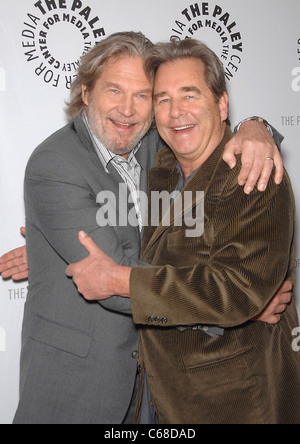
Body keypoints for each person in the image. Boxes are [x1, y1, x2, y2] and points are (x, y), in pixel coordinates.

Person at [0, 32, 291, 424]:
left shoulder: (158, 148)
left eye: (143, 96)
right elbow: (108, 276)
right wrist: (239, 307)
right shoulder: (55, 164)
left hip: (165, 392)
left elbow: (206, 124)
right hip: (79, 384)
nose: (128, 110)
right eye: (114, 91)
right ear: (86, 93)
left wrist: (256, 128)